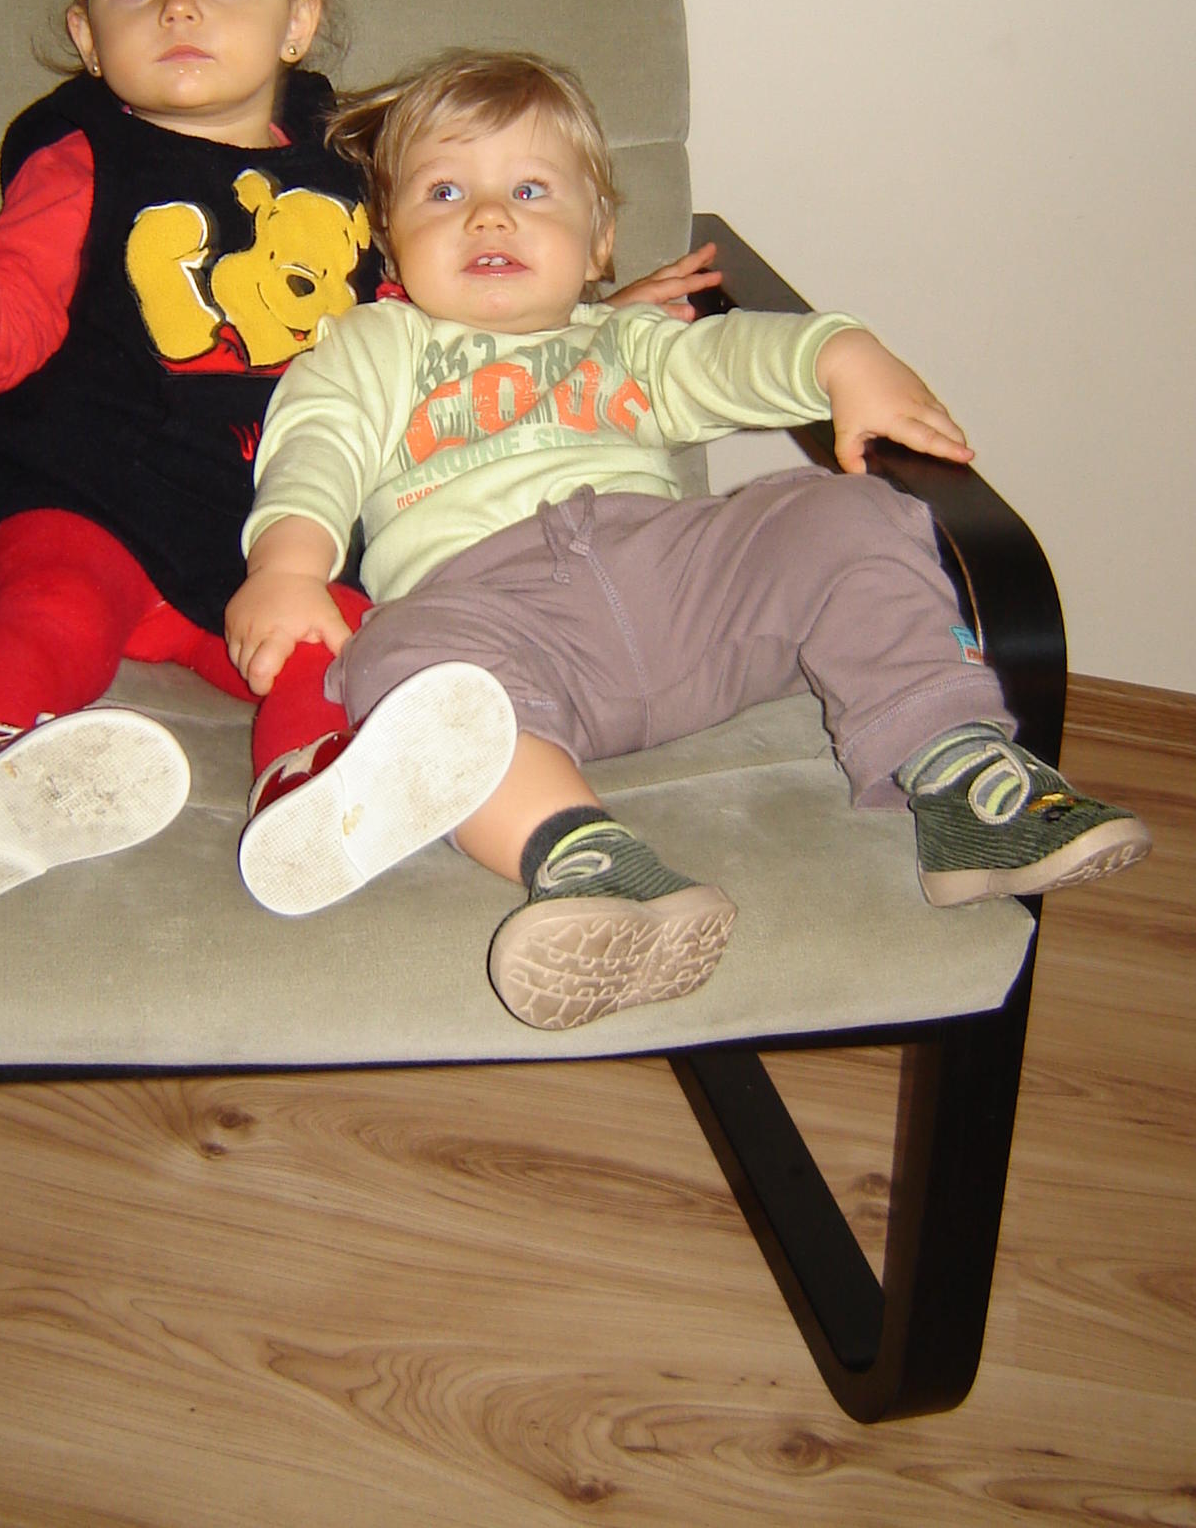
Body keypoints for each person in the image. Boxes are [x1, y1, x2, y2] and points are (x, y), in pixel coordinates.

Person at [225, 50, 1152, 1030]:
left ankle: (960, 777)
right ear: (390, 241)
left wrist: (840, 353)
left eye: (529, 190)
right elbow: (316, 446)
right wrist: (289, 563)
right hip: (497, 621)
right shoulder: (373, 347)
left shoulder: (623, 340)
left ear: (597, 241)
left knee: (840, 510)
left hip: (680, 591)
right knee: (402, 664)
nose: (488, 216)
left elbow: (732, 357)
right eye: (444, 192)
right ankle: (585, 859)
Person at [0, 0, 716, 915]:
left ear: (296, 23)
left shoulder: (355, 166)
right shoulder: (80, 157)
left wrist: (582, 322)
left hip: (282, 516)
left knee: (336, 647)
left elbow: (434, 309)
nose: (180, 8)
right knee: (50, 605)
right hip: (89, 487)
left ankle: (308, 797)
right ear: (86, 36)